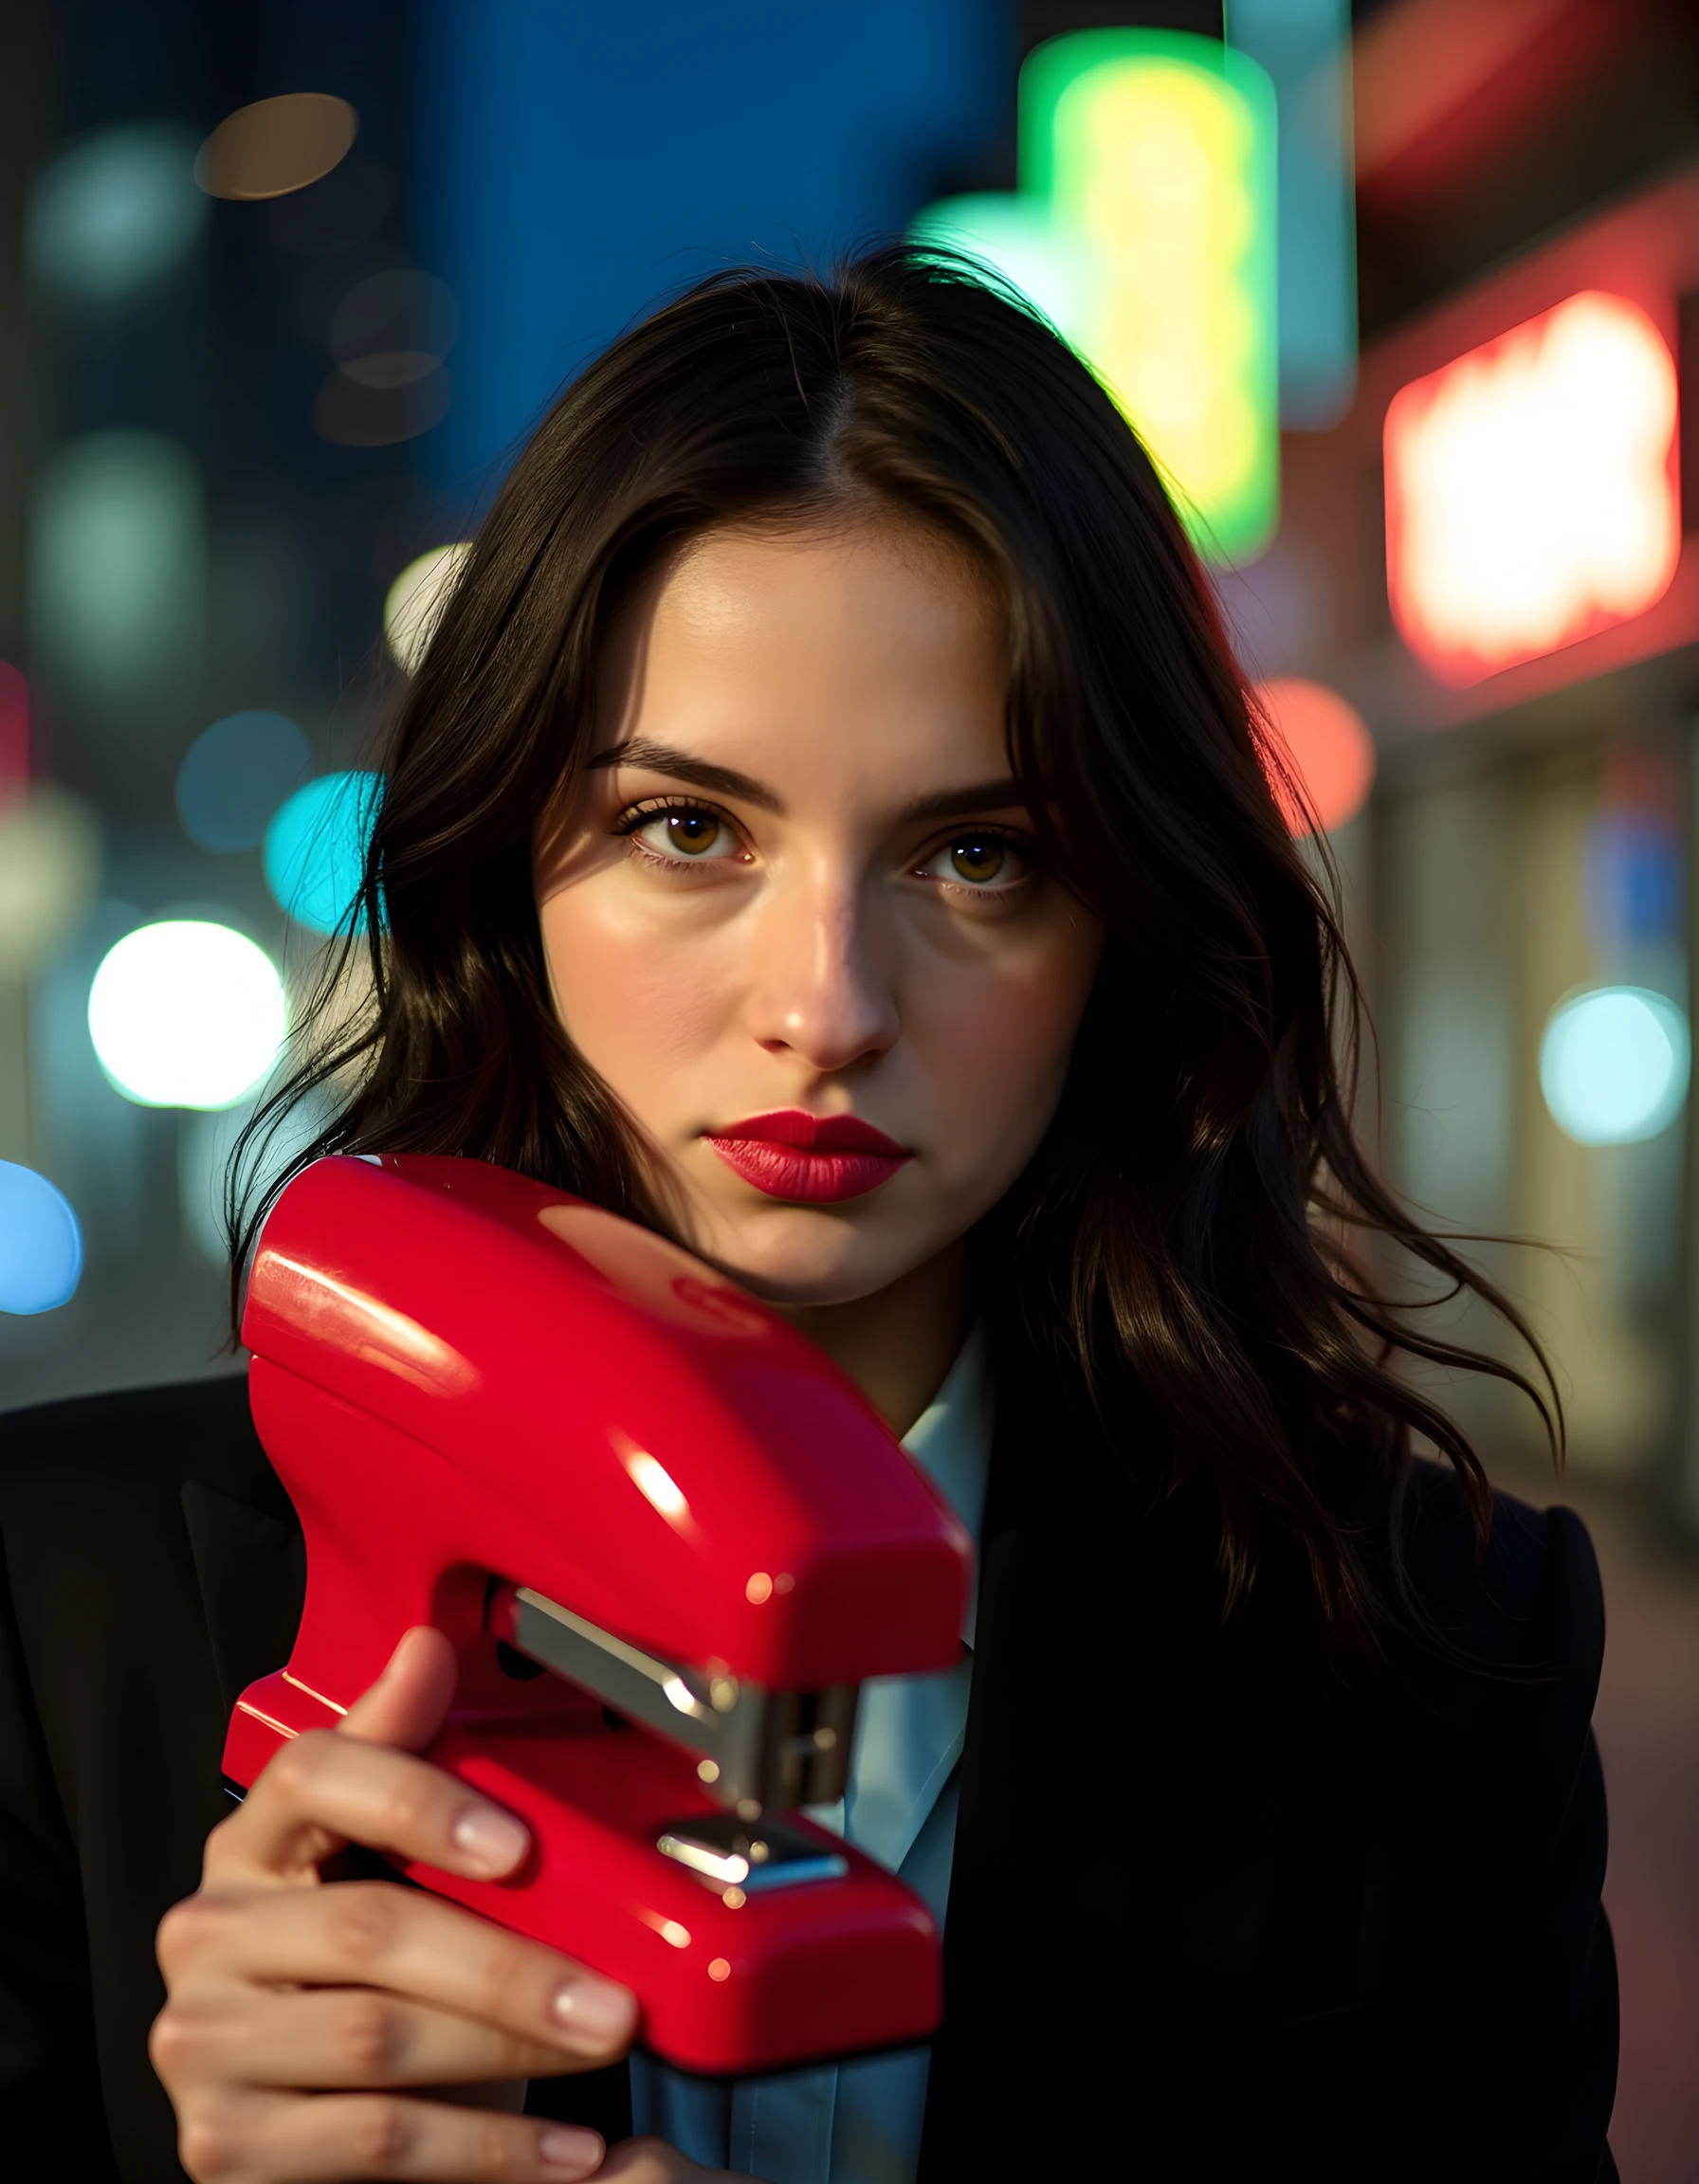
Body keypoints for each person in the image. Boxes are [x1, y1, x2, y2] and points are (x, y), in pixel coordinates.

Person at [0, 248, 1617, 2184]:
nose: (828, 1004)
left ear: (1125, 921)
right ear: (508, 876)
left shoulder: (1417, 1640)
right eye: (688, 830)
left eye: (977, 854)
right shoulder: (52, 1601)